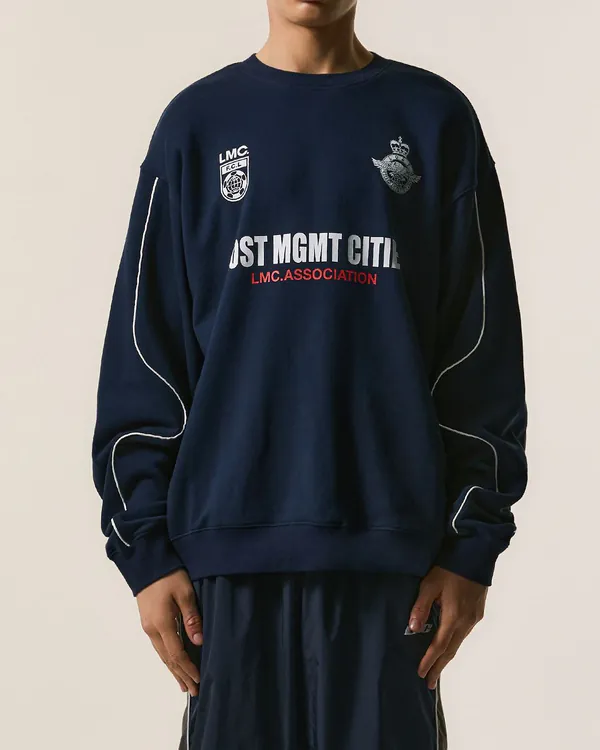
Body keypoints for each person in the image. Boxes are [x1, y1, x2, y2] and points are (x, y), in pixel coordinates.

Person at [90, 0, 528, 747]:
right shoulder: (197, 126)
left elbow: (480, 354)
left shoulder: (434, 120)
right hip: (224, 563)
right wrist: (146, 549)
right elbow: (144, 352)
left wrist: (471, 545)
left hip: (392, 560)